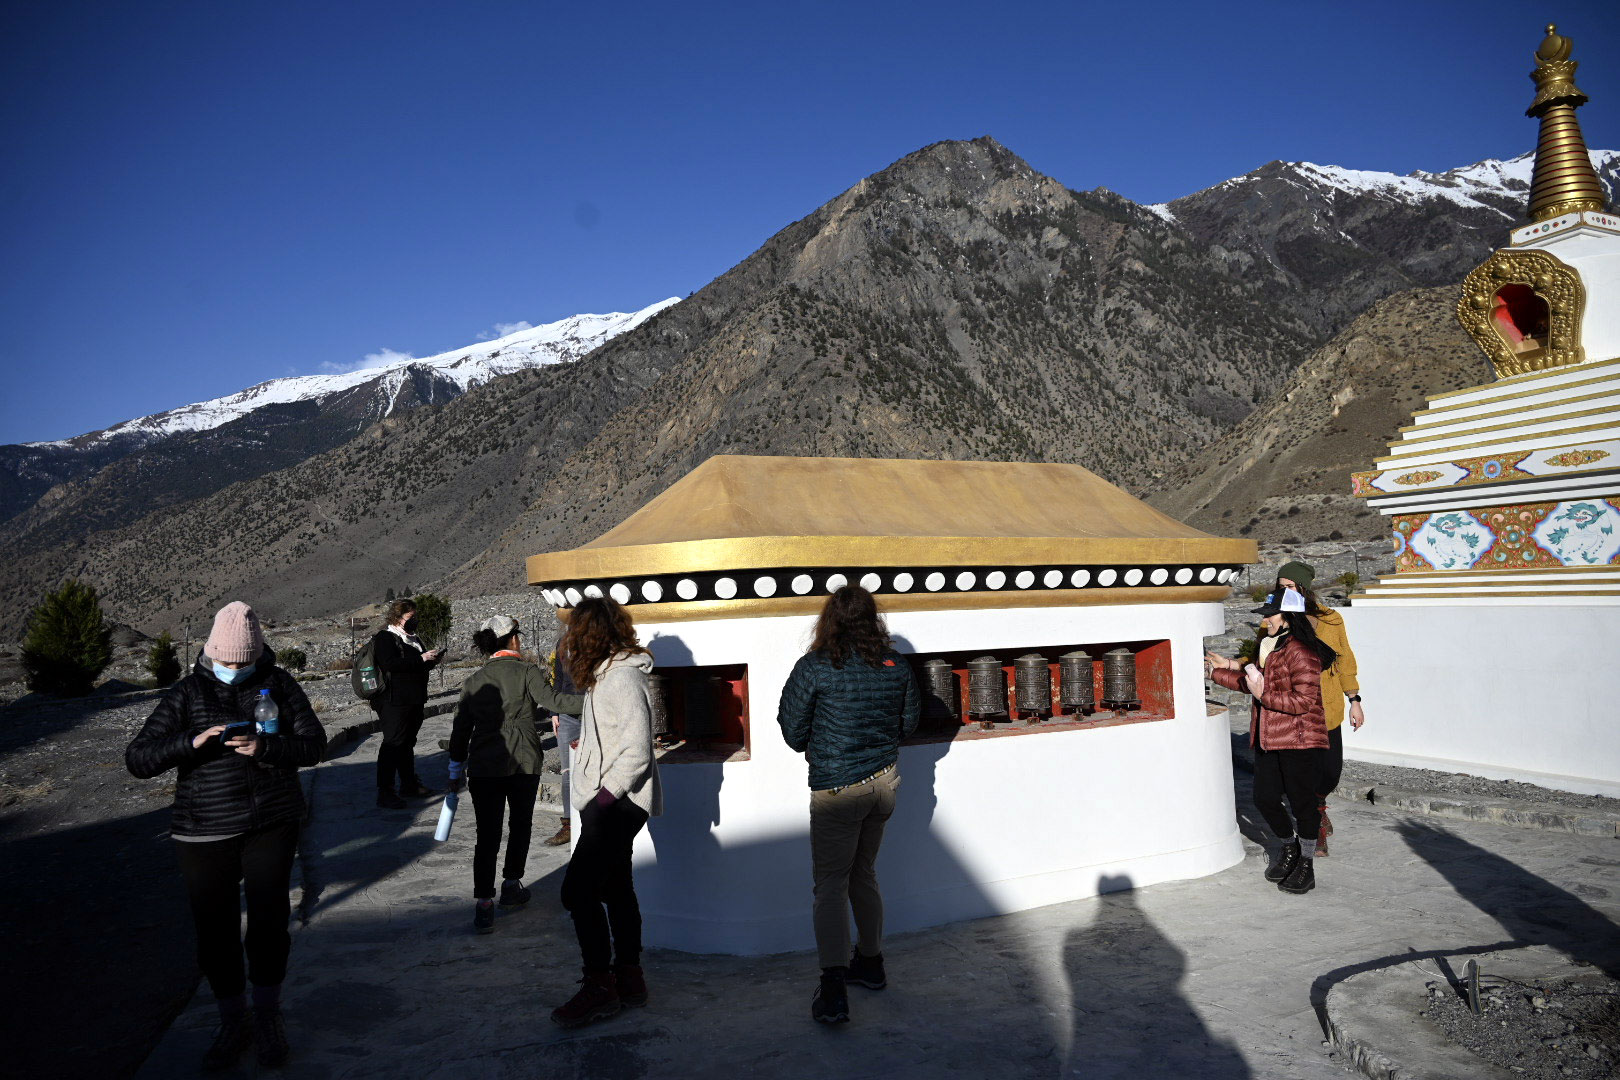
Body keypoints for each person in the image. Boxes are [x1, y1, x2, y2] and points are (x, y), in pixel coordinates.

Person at [125, 601, 327, 1070]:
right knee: (215, 930)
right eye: (228, 661)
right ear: (212, 651)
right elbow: (138, 759)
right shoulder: (186, 694)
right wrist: (190, 742)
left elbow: (314, 745)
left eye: (245, 662)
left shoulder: (279, 684)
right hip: (203, 830)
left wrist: (267, 746)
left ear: (258, 654)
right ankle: (232, 1019)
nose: (236, 669)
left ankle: (267, 1013)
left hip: (270, 823)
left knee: (269, 922)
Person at [776, 584, 920, 1024]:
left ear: (829, 621)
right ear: (873, 620)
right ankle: (871, 965)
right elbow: (909, 724)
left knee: (831, 886)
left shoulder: (815, 667)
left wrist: (826, 746)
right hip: (883, 785)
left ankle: (834, 989)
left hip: (837, 790)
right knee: (864, 874)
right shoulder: (895, 666)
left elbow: (791, 730)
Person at [550, 597, 663, 1029]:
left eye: (575, 633)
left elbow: (636, 750)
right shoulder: (607, 677)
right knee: (616, 887)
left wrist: (601, 798)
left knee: (577, 893)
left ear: (590, 634)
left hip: (616, 803)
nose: (570, 643)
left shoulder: (619, 680)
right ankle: (629, 978)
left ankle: (600, 987)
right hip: (613, 799)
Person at [446, 615, 584, 934]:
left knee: (487, 834)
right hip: (523, 758)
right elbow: (553, 701)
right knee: (520, 822)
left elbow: (460, 730)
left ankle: (483, 903)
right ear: (513, 640)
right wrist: (592, 699)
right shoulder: (527, 672)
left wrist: (455, 768)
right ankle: (511, 885)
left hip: (483, 762)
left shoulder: (474, 680)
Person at [1206, 588, 1335, 895]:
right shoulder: (1272, 647)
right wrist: (1217, 672)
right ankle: (1289, 848)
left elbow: (1304, 700)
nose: (1266, 622)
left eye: (1270, 615)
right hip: (1270, 736)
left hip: (1299, 739)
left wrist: (1262, 694)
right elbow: (1254, 685)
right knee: (1264, 798)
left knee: (1303, 805)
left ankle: (1306, 863)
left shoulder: (1301, 651)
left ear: (1287, 617)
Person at [1274, 560, 1364, 856]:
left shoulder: (1331, 620)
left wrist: (1355, 700)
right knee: (1305, 775)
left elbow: (1344, 660)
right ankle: (1316, 828)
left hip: (1330, 709)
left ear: (1303, 587)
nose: (1283, 591)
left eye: (1289, 586)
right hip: (1296, 712)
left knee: (1330, 771)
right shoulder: (1276, 619)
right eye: (1280, 586)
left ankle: (1320, 802)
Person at [371, 598, 443, 808]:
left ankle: (408, 783)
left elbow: (415, 666)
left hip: (414, 699)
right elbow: (390, 664)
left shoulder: (413, 638)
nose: (415, 620)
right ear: (398, 617)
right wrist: (420, 659)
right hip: (394, 701)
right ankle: (385, 791)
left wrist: (430, 661)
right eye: (410, 617)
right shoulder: (386, 638)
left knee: (407, 743)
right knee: (392, 743)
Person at [545, 645, 582, 848]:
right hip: (567, 715)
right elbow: (558, 679)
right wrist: (554, 712)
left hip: (592, 710)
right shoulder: (563, 642)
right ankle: (568, 824)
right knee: (567, 772)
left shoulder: (598, 635)